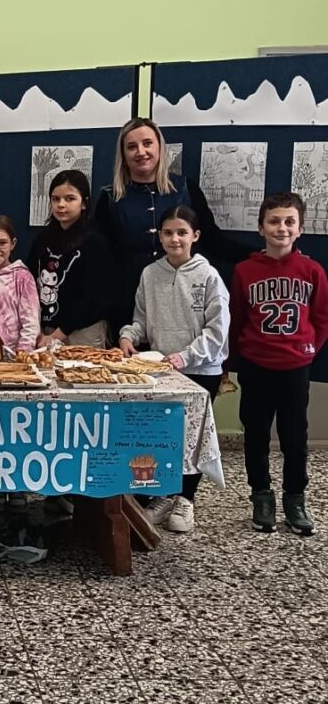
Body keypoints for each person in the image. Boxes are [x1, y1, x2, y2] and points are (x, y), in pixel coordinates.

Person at [119, 206, 230, 533]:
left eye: (182, 232)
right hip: (162, 370)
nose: (174, 239)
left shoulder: (209, 276)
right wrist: (128, 336)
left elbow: (217, 331)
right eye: (168, 233)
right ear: (160, 236)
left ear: (195, 236)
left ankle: (186, 499)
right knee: (160, 436)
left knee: (190, 438)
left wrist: (186, 356)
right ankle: (163, 494)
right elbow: (141, 319)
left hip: (201, 370)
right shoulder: (150, 274)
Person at [229, 192, 328, 535]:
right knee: (255, 434)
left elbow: (321, 318)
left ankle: (295, 498)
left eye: (289, 222)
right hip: (256, 365)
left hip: (294, 367)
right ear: (260, 227)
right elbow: (237, 318)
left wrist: (308, 349)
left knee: (294, 437)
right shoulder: (244, 271)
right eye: (273, 221)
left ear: (300, 228)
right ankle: (261, 496)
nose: (281, 228)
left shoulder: (312, 271)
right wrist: (234, 358)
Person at [95, 117, 248, 333]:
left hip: (182, 299)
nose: (141, 152)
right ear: (123, 154)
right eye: (132, 146)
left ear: (160, 147)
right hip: (127, 299)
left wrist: (259, 255)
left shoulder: (185, 189)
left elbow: (213, 240)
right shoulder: (110, 198)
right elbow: (100, 256)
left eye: (147, 143)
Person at [28, 170, 114, 348]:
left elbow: (96, 299)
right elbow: (29, 284)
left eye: (70, 199)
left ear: (84, 203)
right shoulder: (42, 240)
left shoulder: (95, 241)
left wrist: (58, 335)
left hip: (82, 333)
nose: (61, 205)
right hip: (45, 329)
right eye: (55, 199)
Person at [0, 214, 40, 353]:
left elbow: (30, 322)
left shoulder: (22, 277)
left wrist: (22, 353)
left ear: (13, 243)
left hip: (13, 355)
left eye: (2, 243)